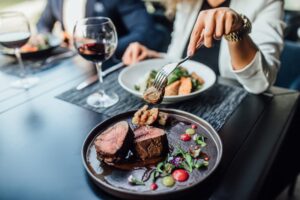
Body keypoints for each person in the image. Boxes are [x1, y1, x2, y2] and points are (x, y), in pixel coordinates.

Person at [122, 0, 285, 94]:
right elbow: (179, 57)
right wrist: (153, 57)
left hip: (236, 106)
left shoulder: (266, 2)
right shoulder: (188, 2)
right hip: (186, 106)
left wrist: (236, 31)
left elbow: (260, 83)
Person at [37, 0, 163, 59]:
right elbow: (42, 24)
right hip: (67, 66)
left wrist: (101, 47)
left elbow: (145, 32)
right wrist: (46, 38)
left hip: (110, 65)